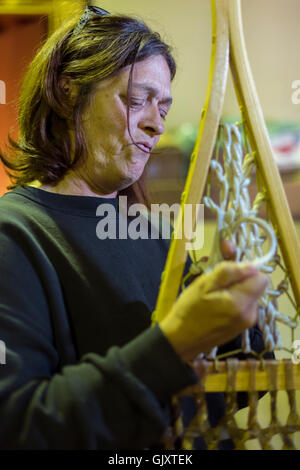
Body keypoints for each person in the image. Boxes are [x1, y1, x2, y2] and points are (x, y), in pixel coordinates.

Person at [0, 6, 271, 450]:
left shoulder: (158, 237)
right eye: (136, 99)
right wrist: (173, 346)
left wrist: (246, 323)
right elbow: (21, 428)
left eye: (163, 106)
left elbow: (224, 398)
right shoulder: (15, 235)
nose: (156, 123)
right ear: (69, 95)